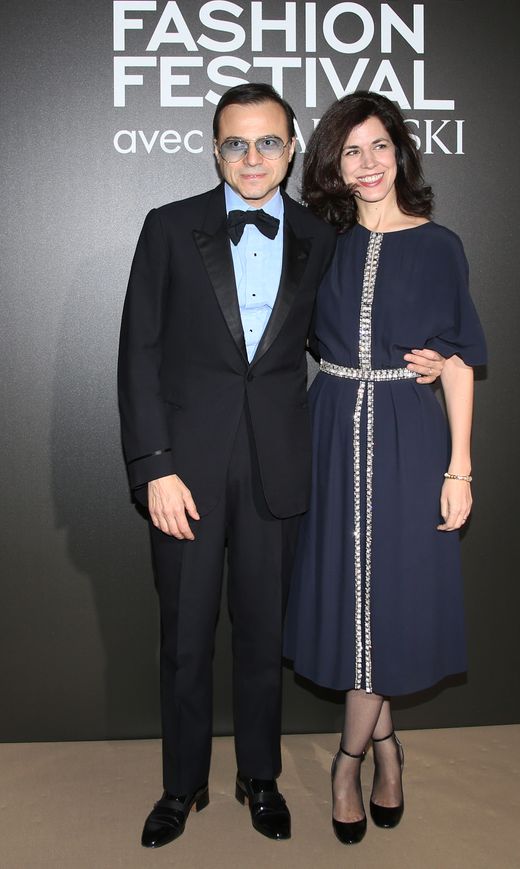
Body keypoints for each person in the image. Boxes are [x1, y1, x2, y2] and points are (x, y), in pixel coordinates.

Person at [118, 83, 445, 849]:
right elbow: (138, 353)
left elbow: (358, 327)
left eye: (269, 142)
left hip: (282, 471)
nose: (254, 157)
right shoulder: (169, 229)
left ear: (293, 147)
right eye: (237, 142)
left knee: (264, 637)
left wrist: (430, 359)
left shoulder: (320, 237)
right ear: (215, 148)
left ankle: (258, 776)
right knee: (186, 637)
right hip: (184, 478)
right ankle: (182, 783)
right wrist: (154, 465)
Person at [284, 90, 487, 845]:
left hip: (408, 432)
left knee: (389, 600)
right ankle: (389, 749)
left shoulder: (440, 244)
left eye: (379, 146)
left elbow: (461, 358)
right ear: (334, 163)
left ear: (401, 150)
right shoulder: (316, 241)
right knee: (354, 603)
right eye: (350, 150)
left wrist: (460, 467)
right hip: (331, 426)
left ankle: (348, 760)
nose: (366, 164)